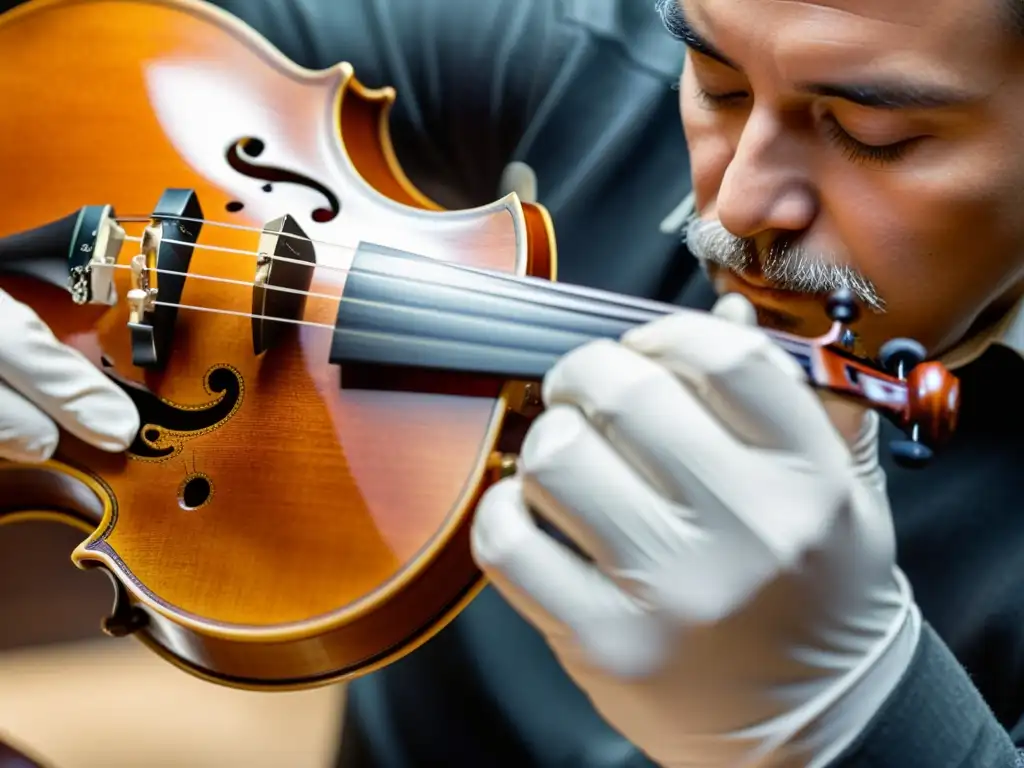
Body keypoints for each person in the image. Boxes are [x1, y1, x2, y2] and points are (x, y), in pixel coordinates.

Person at [3, 1, 1024, 767]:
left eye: (870, 134)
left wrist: (864, 715)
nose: (739, 199)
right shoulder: (597, 47)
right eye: (714, 84)